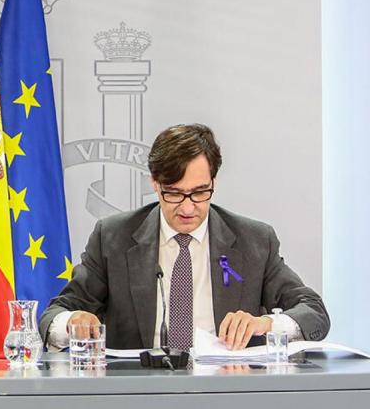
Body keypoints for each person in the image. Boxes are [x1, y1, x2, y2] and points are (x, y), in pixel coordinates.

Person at [40, 124, 329, 351]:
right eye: (174, 193)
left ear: (213, 182)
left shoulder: (253, 240)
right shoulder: (114, 238)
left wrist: (265, 323)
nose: (188, 208)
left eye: (200, 192)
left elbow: (314, 312)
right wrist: (72, 322)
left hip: (227, 390)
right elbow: (55, 313)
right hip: (140, 391)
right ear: (155, 183)